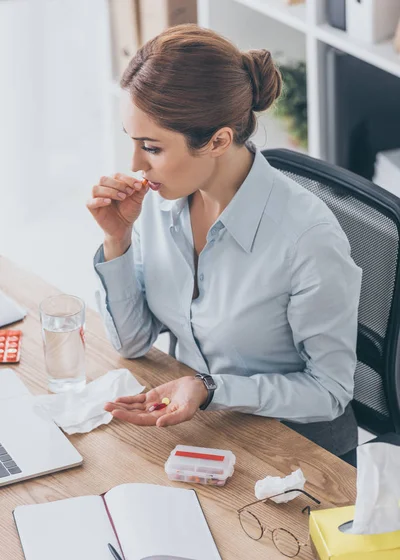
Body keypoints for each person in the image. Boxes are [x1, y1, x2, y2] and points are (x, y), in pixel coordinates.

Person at [88, 24, 362, 460]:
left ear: (218, 140)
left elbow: (329, 391)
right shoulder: (160, 203)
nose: (136, 167)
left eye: (152, 148)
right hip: (206, 428)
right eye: (134, 143)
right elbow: (132, 342)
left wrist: (210, 387)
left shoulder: (307, 240)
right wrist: (116, 238)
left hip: (298, 452)